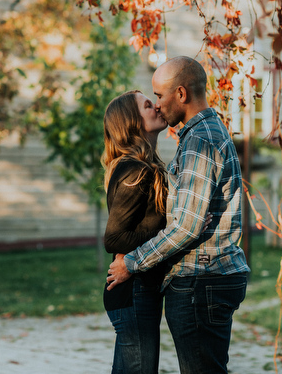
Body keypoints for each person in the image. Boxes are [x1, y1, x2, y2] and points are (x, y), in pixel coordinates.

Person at [106, 56, 251, 374]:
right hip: (207, 276)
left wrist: (131, 263)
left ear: (181, 94)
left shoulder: (200, 140)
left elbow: (187, 224)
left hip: (202, 278)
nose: (157, 105)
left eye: (158, 96)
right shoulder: (202, 136)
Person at [101, 90, 169, 374]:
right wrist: (166, 226)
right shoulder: (135, 171)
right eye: (148, 105)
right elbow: (114, 238)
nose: (157, 106)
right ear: (132, 121)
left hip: (138, 289)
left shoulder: (143, 167)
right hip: (133, 292)